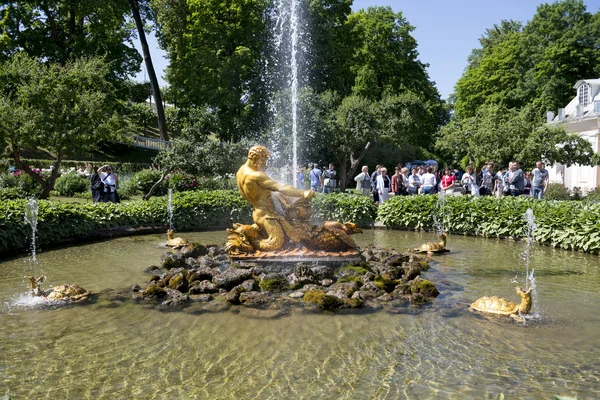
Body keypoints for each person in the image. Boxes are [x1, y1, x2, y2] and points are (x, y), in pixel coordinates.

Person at [235, 145, 316, 251]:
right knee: (276, 243)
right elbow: (281, 188)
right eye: (262, 160)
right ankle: (246, 241)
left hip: (258, 212)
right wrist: (302, 193)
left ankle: (250, 233)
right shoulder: (256, 175)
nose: (264, 164)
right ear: (254, 158)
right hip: (268, 216)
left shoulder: (241, 171)